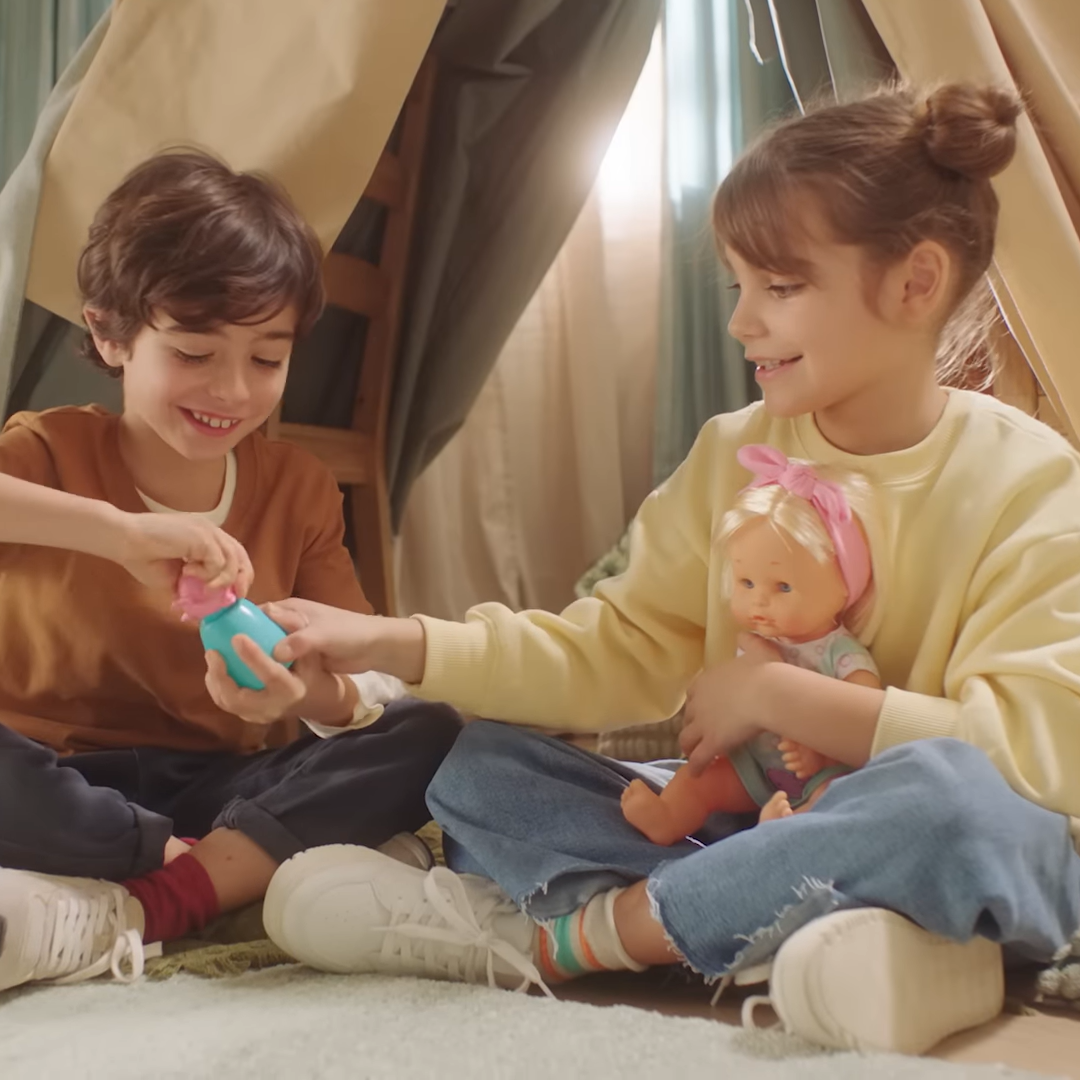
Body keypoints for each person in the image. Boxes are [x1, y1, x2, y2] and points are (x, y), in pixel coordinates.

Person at [260, 83, 1080, 1055]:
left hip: (937, 827)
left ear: (914, 284)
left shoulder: (1032, 481)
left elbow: (1033, 759)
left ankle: (578, 935)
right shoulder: (736, 450)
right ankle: (838, 937)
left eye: (780, 288)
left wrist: (781, 696)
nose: (741, 324)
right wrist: (391, 643)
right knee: (479, 770)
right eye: (737, 286)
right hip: (753, 823)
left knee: (953, 804)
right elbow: (614, 645)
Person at [0, 151, 460, 994]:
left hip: (217, 787)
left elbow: (361, 683)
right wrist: (113, 530)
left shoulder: (297, 487)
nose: (233, 390)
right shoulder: (49, 452)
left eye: (266, 358)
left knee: (432, 732)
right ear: (109, 334)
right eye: (194, 352)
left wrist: (305, 698)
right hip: (50, 780)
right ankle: (215, 878)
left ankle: (143, 906)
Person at [0, 470, 251, 593]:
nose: (233, 392)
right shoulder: (43, 446)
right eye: (193, 362)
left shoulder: (288, 477)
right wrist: (123, 535)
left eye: (265, 364)